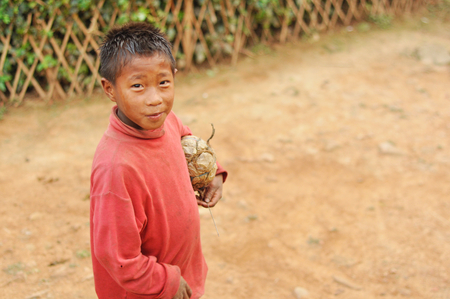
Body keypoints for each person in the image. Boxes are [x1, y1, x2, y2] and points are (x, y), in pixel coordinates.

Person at [89, 22, 227, 299]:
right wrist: (166, 281)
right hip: (147, 290)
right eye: (137, 86)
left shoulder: (168, 122)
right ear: (110, 89)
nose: (155, 100)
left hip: (182, 273)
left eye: (163, 82)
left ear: (174, 76)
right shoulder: (116, 168)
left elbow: (186, 139)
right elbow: (118, 257)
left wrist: (214, 173)